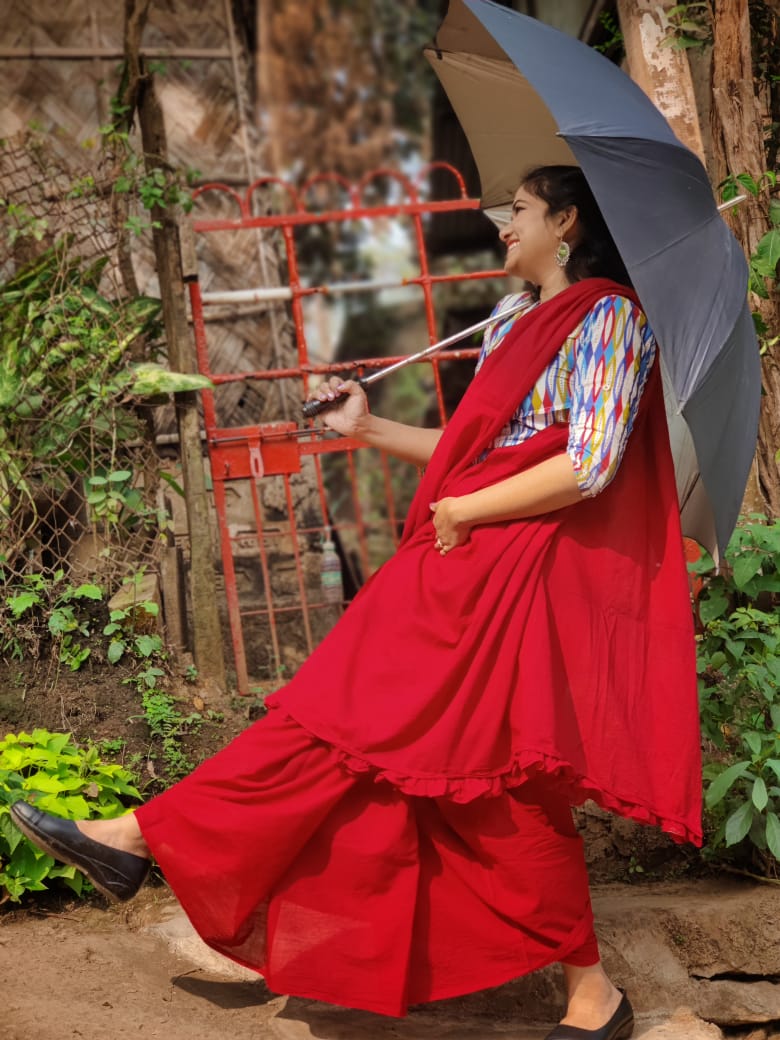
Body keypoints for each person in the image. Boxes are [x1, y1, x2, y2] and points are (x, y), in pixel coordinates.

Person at [11, 165, 701, 1040]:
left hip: (516, 568)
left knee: (464, 765)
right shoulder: (513, 319)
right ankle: (591, 994)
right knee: (427, 759)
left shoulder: (609, 319)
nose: (504, 226)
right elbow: (472, 451)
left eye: (521, 211)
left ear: (566, 222)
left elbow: (588, 464)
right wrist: (368, 428)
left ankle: (139, 838)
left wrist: (466, 510)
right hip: (461, 555)